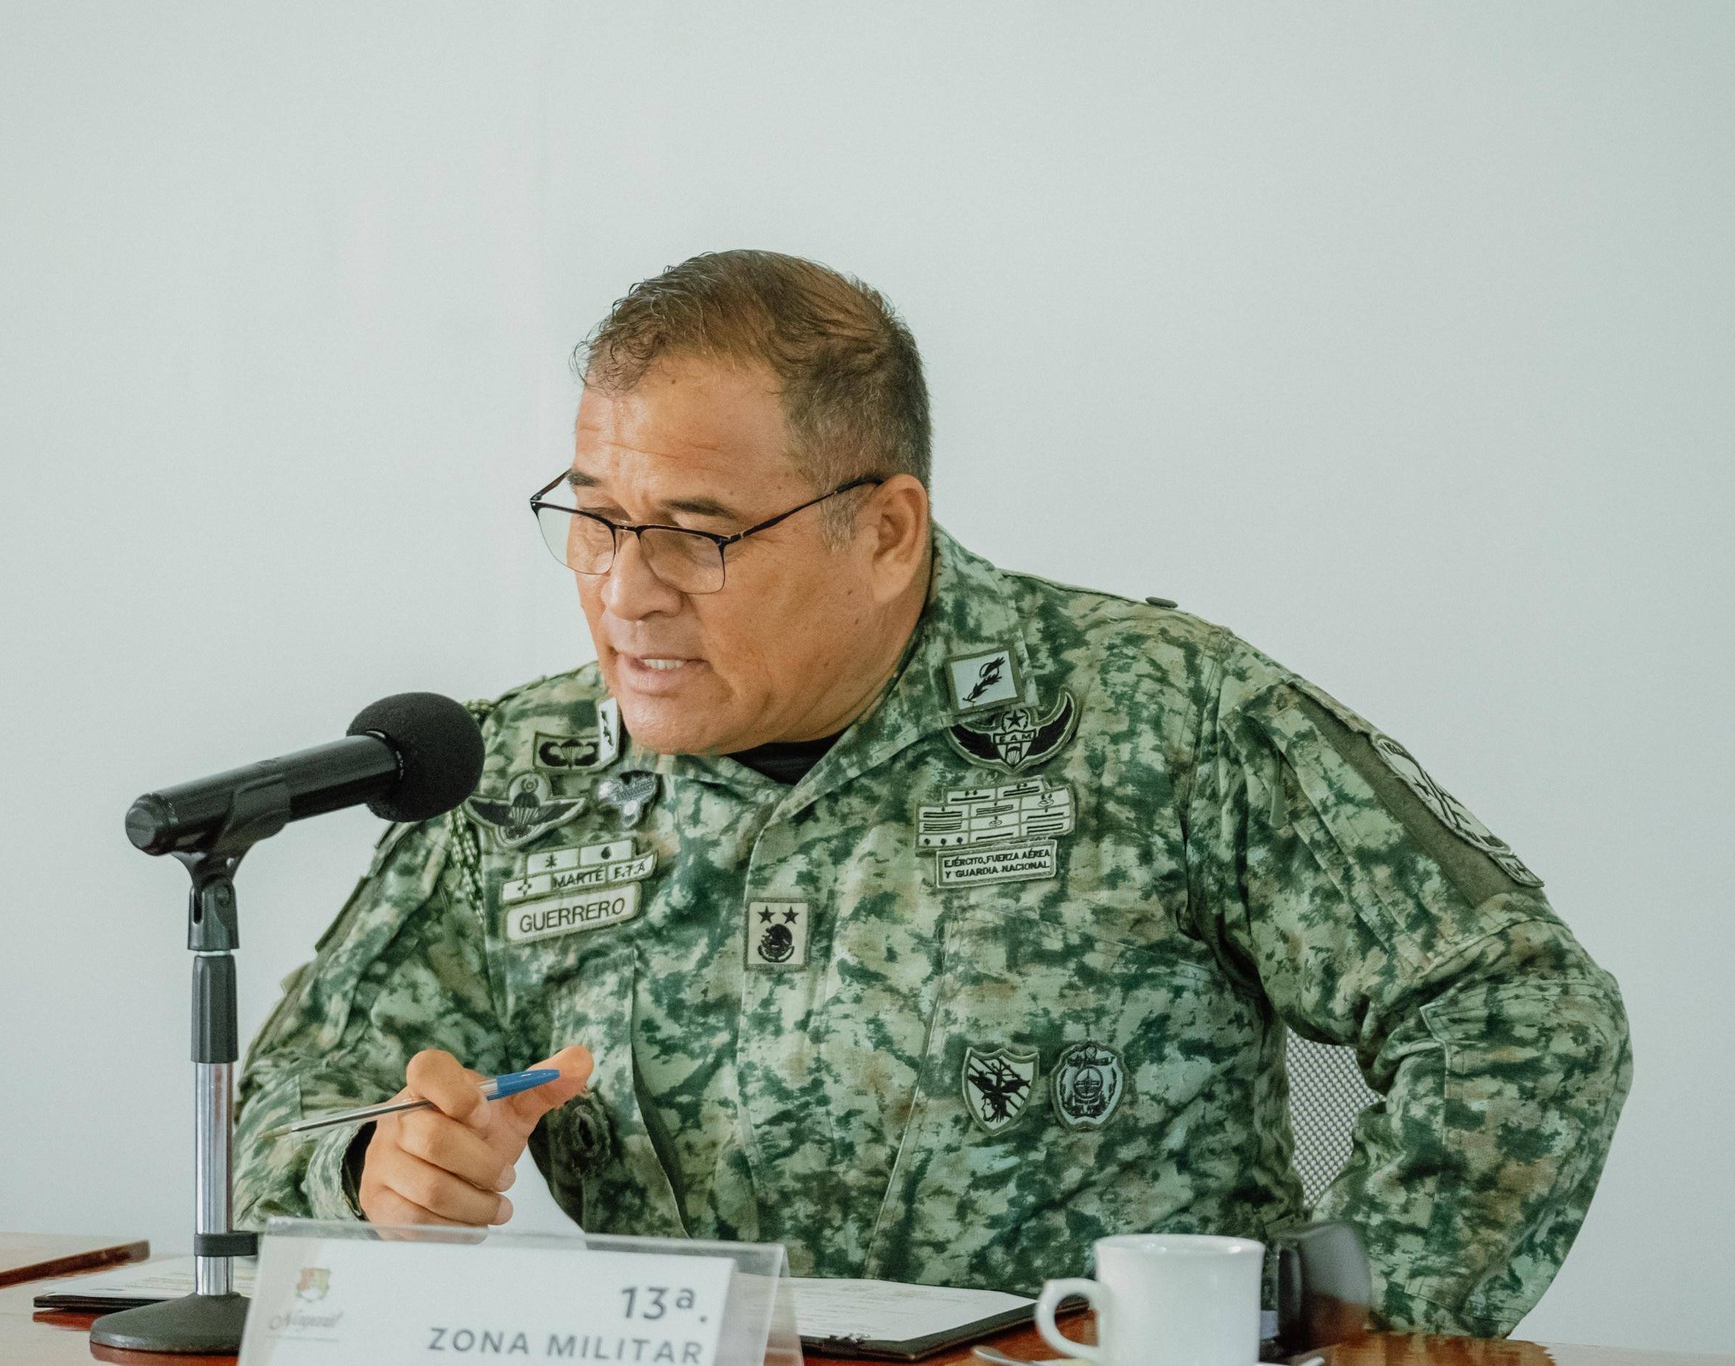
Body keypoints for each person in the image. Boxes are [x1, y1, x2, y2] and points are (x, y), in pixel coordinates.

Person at [233, 250, 1630, 1337]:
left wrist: (1344, 1335)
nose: (625, 589)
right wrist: (376, 1169)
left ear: (887, 530)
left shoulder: (1163, 716)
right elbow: (291, 1105)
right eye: (594, 520)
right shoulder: (523, 780)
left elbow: (1524, 1015)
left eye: (697, 534)